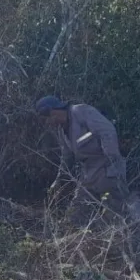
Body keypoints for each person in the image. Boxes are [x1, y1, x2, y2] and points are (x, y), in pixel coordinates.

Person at [35, 95, 128, 224]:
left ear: (52, 112)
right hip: (88, 175)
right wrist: (58, 181)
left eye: (46, 119)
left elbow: (107, 131)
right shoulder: (62, 131)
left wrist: (111, 162)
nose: (48, 124)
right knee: (75, 216)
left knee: (115, 217)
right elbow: (66, 157)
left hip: (108, 171)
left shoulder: (81, 112)